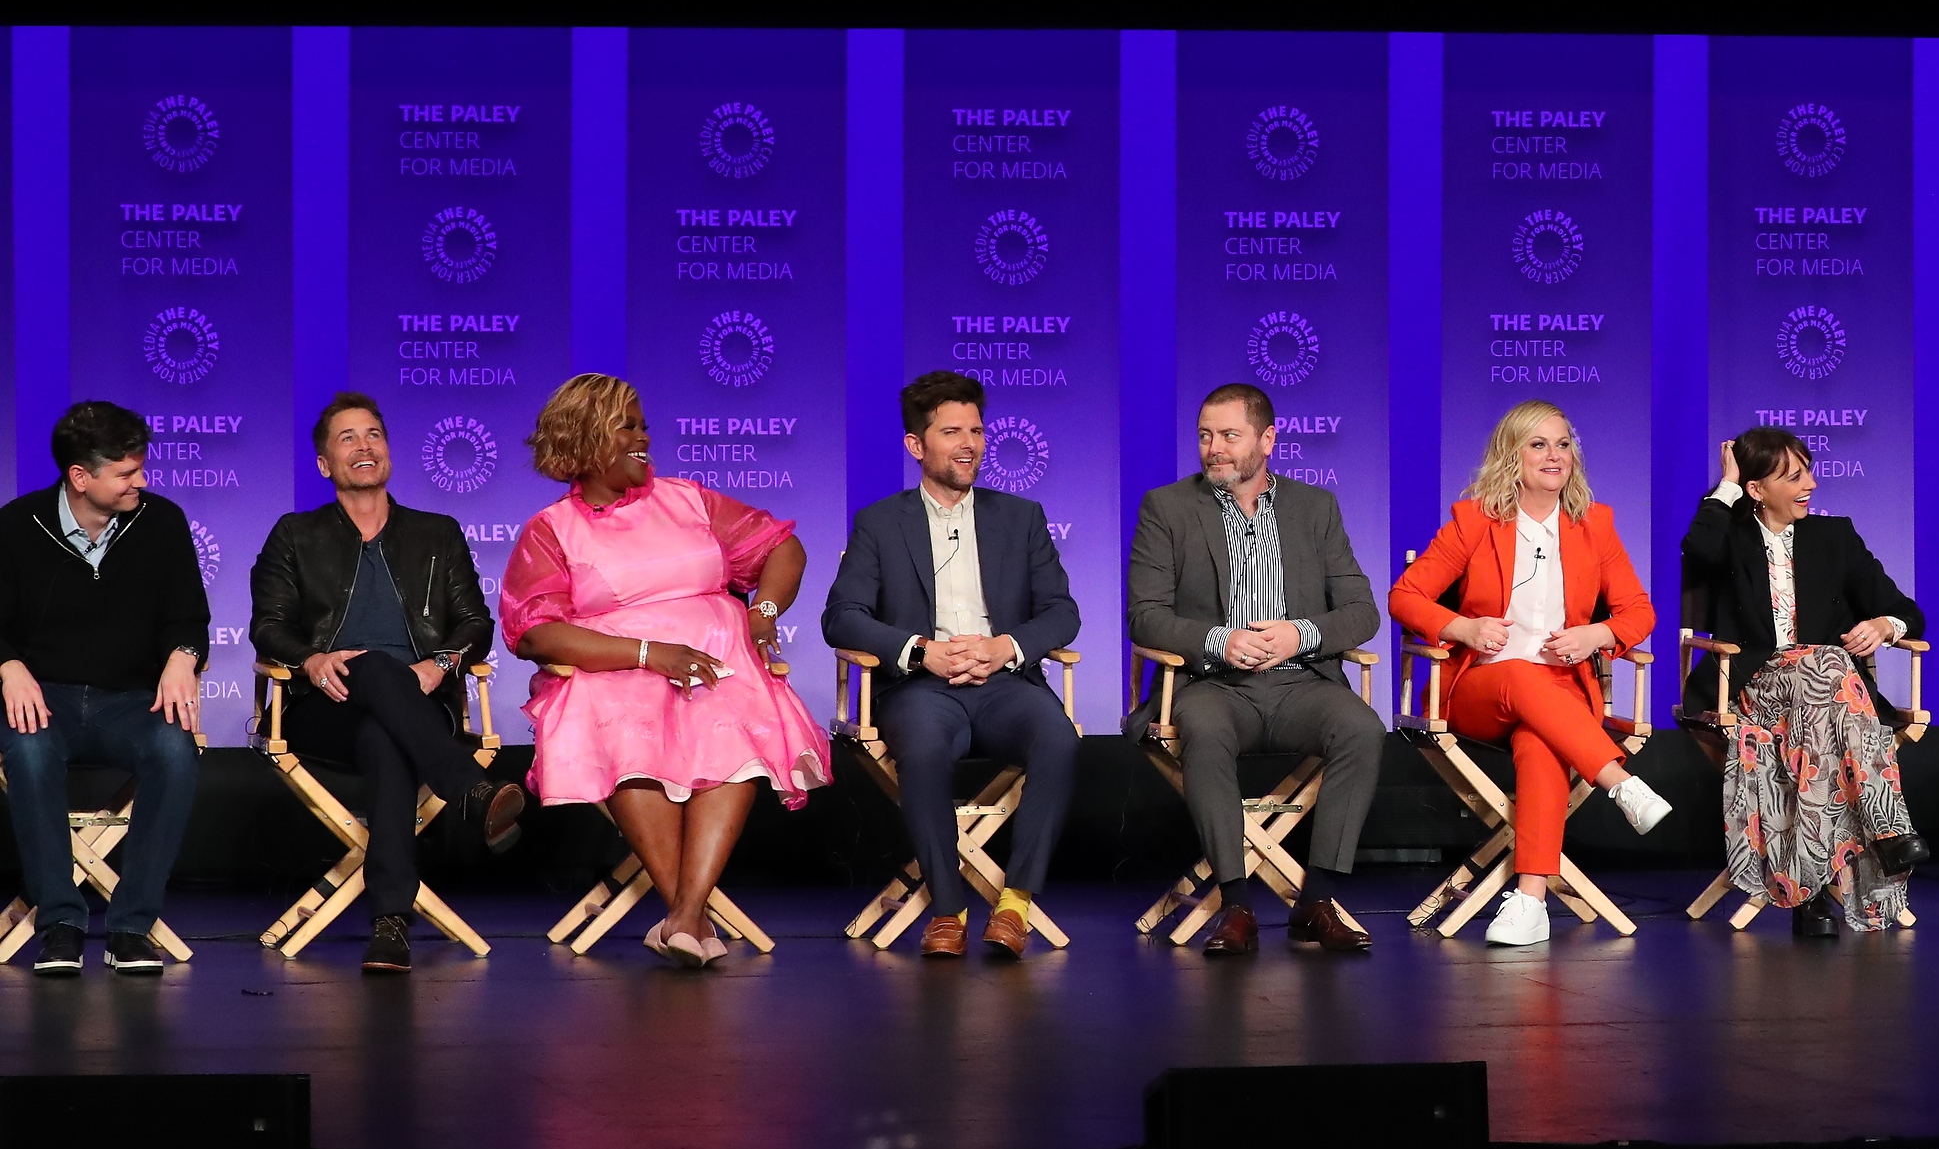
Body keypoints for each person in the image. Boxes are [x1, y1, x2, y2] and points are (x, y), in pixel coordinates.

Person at [499, 374, 830, 966]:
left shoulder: (687, 499)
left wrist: (763, 611)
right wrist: (651, 654)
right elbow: (536, 631)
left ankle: (682, 916)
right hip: (614, 672)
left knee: (734, 716)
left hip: (715, 663)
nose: (643, 438)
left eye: (643, 424)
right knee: (624, 730)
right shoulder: (552, 529)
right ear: (583, 439)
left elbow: (782, 547)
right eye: (626, 426)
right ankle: (691, 916)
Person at [249, 394, 526, 974]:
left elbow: (475, 623)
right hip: (327, 706)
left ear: (389, 452)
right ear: (325, 464)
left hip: (422, 702)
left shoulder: (436, 533)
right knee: (372, 667)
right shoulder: (295, 535)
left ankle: (390, 924)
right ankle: (469, 788)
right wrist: (312, 661)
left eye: (374, 434)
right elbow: (267, 627)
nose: (364, 445)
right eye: (347, 437)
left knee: (385, 734)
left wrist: (437, 666)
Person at [822, 371, 1081, 961]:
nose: (970, 444)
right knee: (925, 749)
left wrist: (1005, 647)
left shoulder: (1021, 516)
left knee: (1059, 739)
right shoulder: (880, 522)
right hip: (920, 688)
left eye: (977, 431)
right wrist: (921, 650)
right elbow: (842, 617)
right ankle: (947, 907)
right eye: (951, 432)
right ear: (916, 445)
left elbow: (1062, 613)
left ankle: (1015, 903)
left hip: (1004, 681)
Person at [1393, 403, 1668, 947]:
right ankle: (1620, 783)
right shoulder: (1475, 521)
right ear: (1511, 455)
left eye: (1563, 444)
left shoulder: (1595, 525)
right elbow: (1406, 594)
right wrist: (1464, 628)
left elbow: (1640, 612)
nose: (1553, 455)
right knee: (1520, 675)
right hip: (1479, 688)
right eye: (1538, 445)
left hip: (1561, 699)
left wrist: (1594, 636)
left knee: (1541, 743)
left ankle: (1530, 900)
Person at [1128, 382, 1384, 956]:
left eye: (1228, 435)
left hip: (1300, 682)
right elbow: (1144, 617)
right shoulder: (1166, 509)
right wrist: (1220, 640)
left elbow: (1361, 611)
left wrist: (1300, 633)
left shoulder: (1315, 509)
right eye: (1204, 435)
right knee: (1206, 730)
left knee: (1362, 728)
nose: (1213, 448)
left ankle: (1316, 901)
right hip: (1214, 685)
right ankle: (1236, 903)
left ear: (1268, 439)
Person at [1682, 427, 1926, 936]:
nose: (1811, 483)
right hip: (1751, 686)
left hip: (1825, 709)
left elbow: (1906, 610)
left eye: (1809, 471)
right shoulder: (1729, 535)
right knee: (1829, 665)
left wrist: (1886, 625)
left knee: (1819, 714)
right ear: (1756, 490)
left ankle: (1808, 894)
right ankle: (1887, 830)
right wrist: (1725, 485)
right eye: (1793, 476)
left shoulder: (1834, 538)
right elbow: (1698, 549)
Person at [0, 401, 208, 976]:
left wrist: (183, 657)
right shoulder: (18, 526)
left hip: (131, 700)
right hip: (48, 698)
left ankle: (131, 926)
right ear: (80, 478)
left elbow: (189, 618)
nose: (141, 481)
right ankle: (61, 924)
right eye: (126, 472)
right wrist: (8, 664)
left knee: (174, 749)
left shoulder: (162, 522)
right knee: (31, 750)